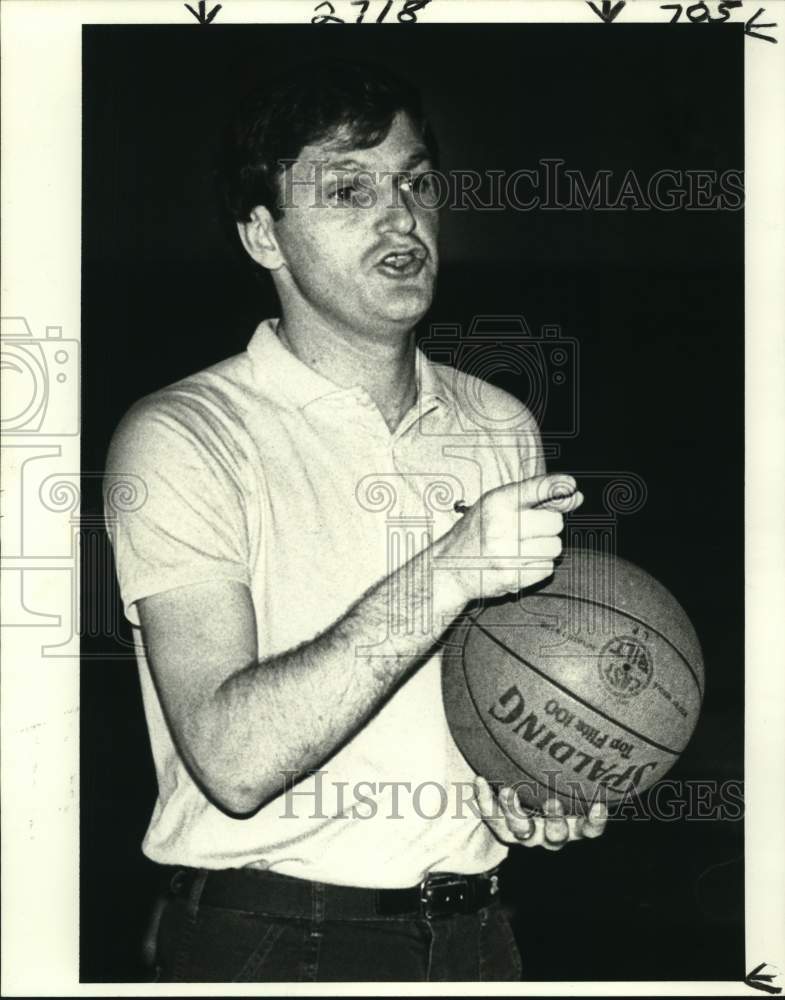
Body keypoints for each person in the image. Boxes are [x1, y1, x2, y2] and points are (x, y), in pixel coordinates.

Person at [103, 58, 606, 984]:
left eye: (415, 183)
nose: (400, 218)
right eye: (348, 190)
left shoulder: (499, 424)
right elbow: (232, 758)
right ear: (264, 237)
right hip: (270, 934)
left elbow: (493, 687)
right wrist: (448, 567)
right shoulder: (182, 435)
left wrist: (537, 776)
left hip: (477, 931)